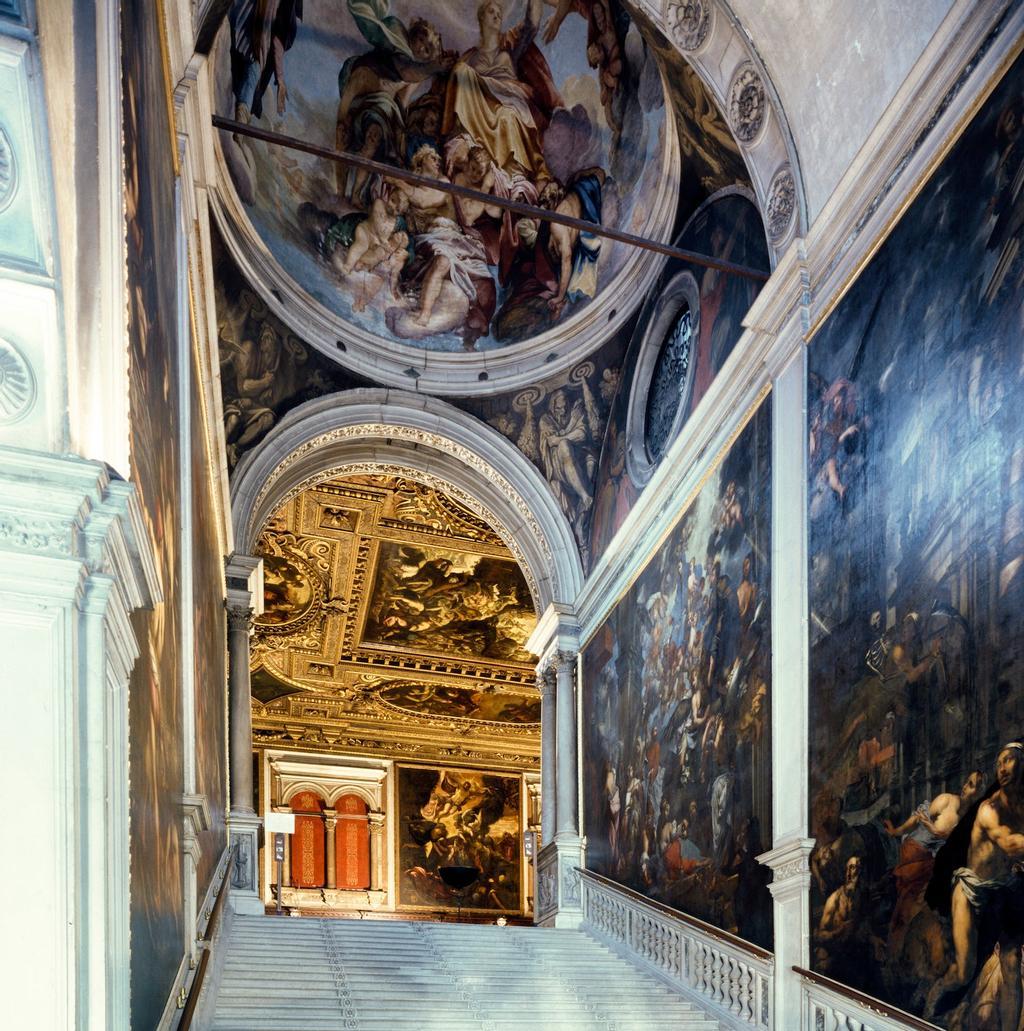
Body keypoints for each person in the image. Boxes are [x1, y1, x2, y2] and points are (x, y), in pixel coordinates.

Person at [925, 744, 1024, 1024]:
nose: (1003, 768)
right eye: (999, 762)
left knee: (1012, 962)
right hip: (972, 890)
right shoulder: (989, 809)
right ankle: (929, 1011)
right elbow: (1011, 845)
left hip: (1004, 887)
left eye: (1010, 761)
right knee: (962, 971)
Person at [442, 0, 559, 178]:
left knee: (508, 116)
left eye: (499, 13)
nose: (497, 15)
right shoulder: (470, 58)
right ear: (481, 17)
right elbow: (457, 88)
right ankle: (469, 146)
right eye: (491, 11)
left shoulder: (509, 48)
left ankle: (514, 174)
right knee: (460, 71)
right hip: (480, 109)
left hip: (509, 100)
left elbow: (531, 26)